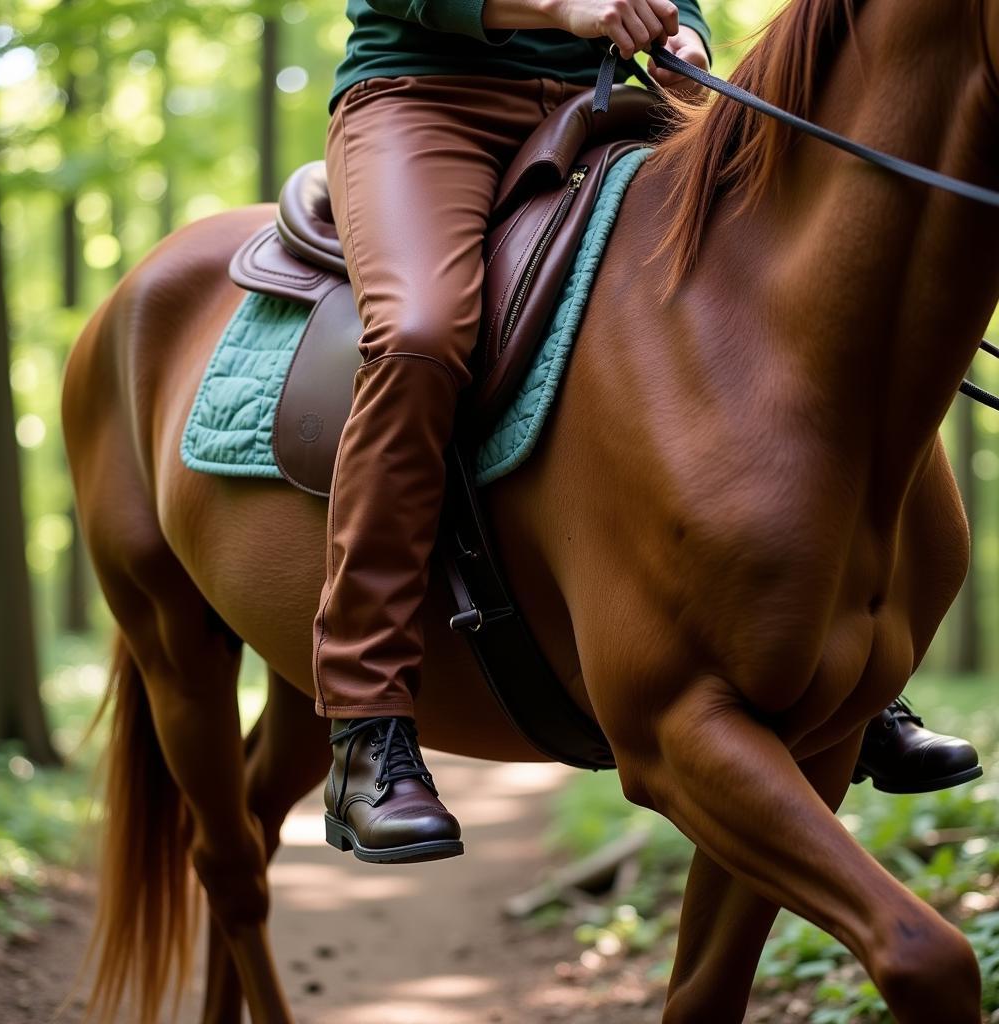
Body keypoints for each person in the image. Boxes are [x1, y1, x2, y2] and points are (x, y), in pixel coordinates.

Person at [315, 0, 981, 864]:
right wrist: (564, 6)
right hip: (430, 100)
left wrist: (685, 27)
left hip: (610, 96)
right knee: (418, 335)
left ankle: (852, 671)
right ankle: (365, 721)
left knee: (803, 284)